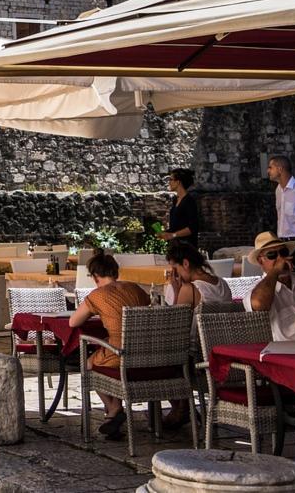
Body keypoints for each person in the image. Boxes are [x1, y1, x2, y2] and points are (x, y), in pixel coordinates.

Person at [70, 251, 153, 438]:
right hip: (149, 353)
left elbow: (73, 322)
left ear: (95, 276)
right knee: (107, 353)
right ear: (115, 271)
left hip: (120, 353)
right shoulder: (135, 288)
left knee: (90, 363)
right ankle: (112, 415)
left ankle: (113, 408)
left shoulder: (97, 295)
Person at [160, 241, 230, 309]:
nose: (175, 274)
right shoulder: (223, 283)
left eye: (175, 268)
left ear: (185, 264)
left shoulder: (189, 290)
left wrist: (176, 292)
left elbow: (175, 319)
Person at [160, 168, 200, 249]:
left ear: (178, 182)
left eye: (171, 179)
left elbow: (192, 228)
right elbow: (176, 226)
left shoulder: (189, 201)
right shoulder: (175, 200)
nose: (169, 182)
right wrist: (166, 233)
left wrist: (173, 235)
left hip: (187, 247)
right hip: (176, 246)